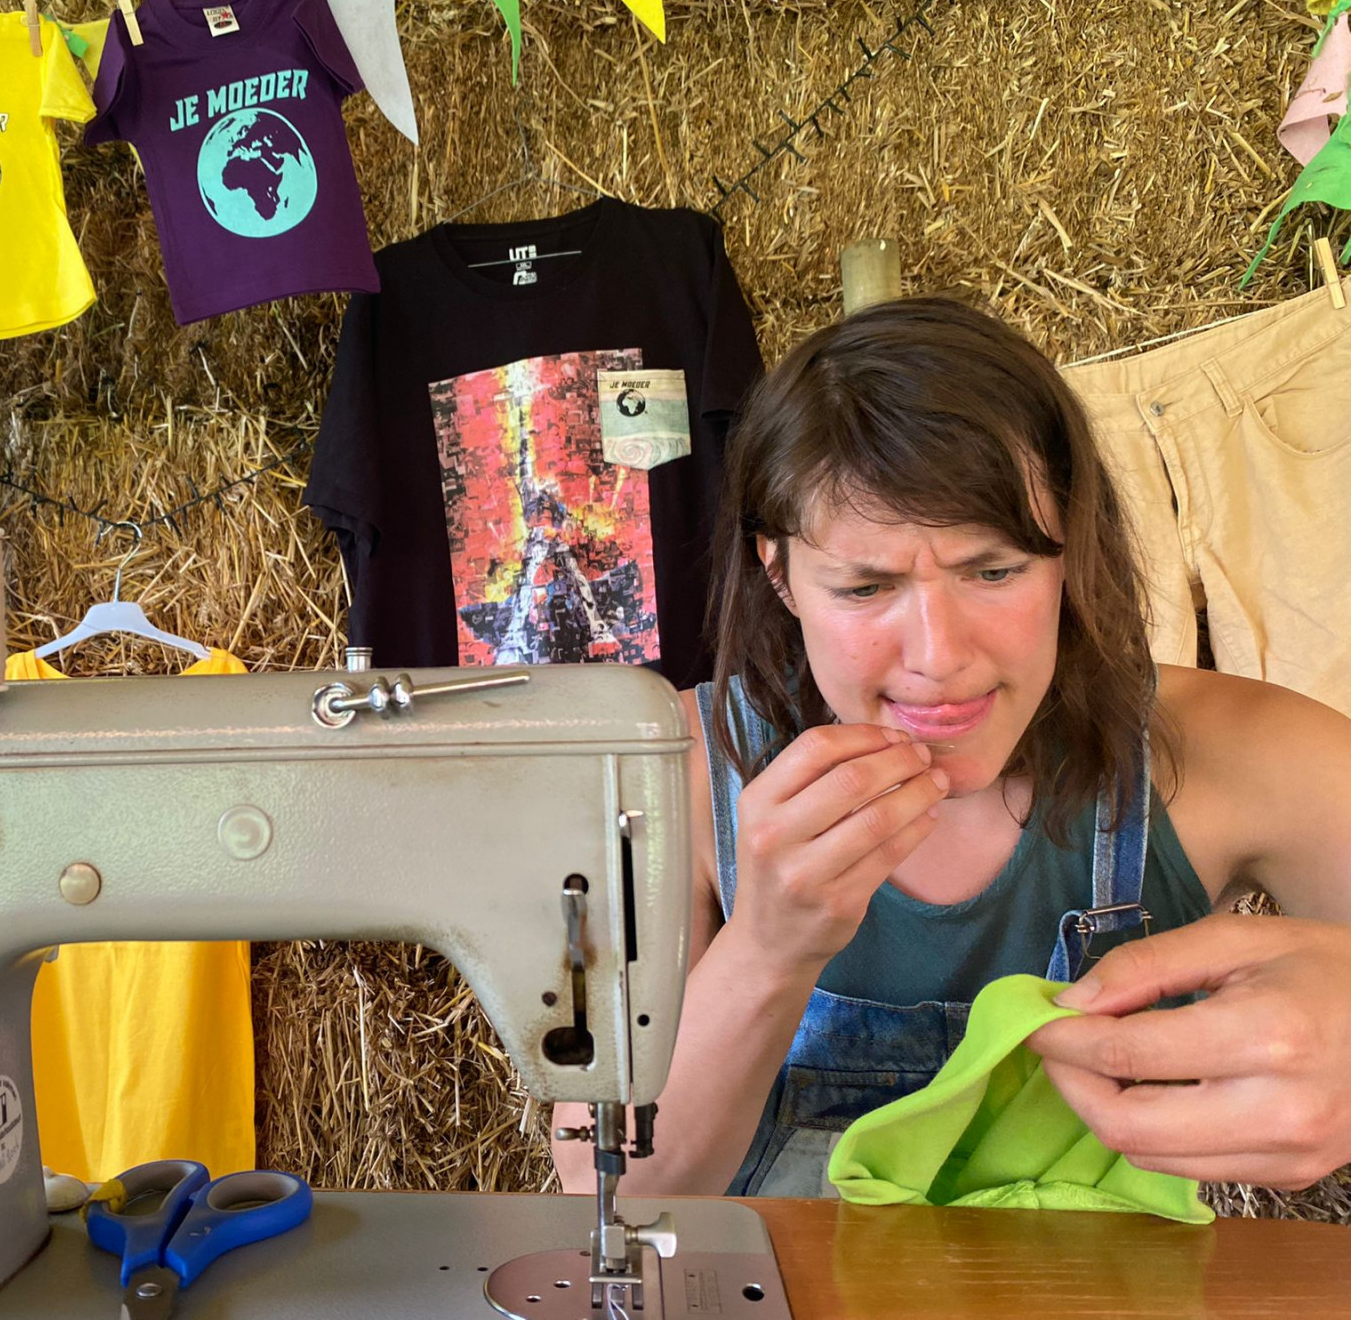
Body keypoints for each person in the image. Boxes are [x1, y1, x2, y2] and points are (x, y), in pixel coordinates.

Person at [552, 298, 1351, 1198]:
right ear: (779, 576)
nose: (937, 659)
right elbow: (602, 1187)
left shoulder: (1240, 752)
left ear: (1070, 555)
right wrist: (768, 950)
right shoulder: (674, 778)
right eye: (863, 587)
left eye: (994, 571)